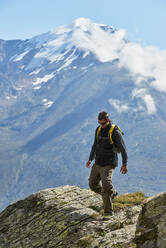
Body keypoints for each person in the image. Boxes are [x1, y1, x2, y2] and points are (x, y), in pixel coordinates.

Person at [86, 111, 128, 219]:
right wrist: (90, 159)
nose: (101, 125)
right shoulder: (98, 129)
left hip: (109, 163)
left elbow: (123, 148)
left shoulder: (114, 132)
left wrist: (124, 164)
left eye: (103, 123)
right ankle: (111, 193)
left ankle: (108, 212)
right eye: (100, 123)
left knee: (105, 184)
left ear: (108, 120)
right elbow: (94, 145)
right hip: (98, 162)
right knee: (92, 184)